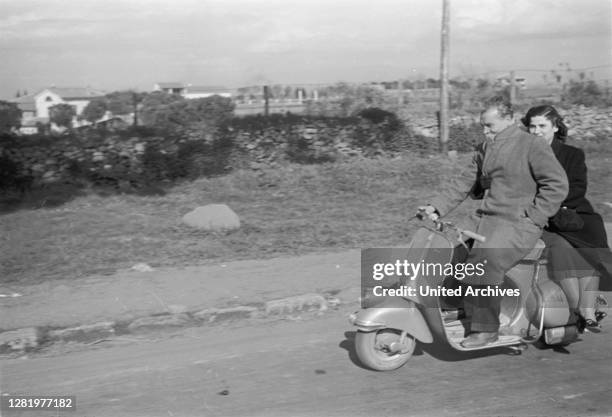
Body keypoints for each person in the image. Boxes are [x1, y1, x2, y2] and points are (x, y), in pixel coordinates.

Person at [419, 97, 569, 348]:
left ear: (509, 119)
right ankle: (453, 305)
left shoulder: (531, 144)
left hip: (517, 223)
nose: (485, 131)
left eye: (490, 126)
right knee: (446, 246)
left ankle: (486, 329)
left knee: (485, 260)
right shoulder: (484, 148)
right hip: (484, 218)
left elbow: (556, 185)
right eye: (483, 126)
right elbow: (462, 182)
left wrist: (535, 216)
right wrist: (435, 206)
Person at [522, 105, 612, 331]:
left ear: (555, 126)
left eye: (542, 125)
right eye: (532, 126)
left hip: (571, 213)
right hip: (542, 217)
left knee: (589, 246)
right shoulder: (523, 154)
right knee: (562, 248)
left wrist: (551, 201)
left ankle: (588, 308)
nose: (536, 131)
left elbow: (577, 189)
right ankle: (582, 309)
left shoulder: (572, 154)